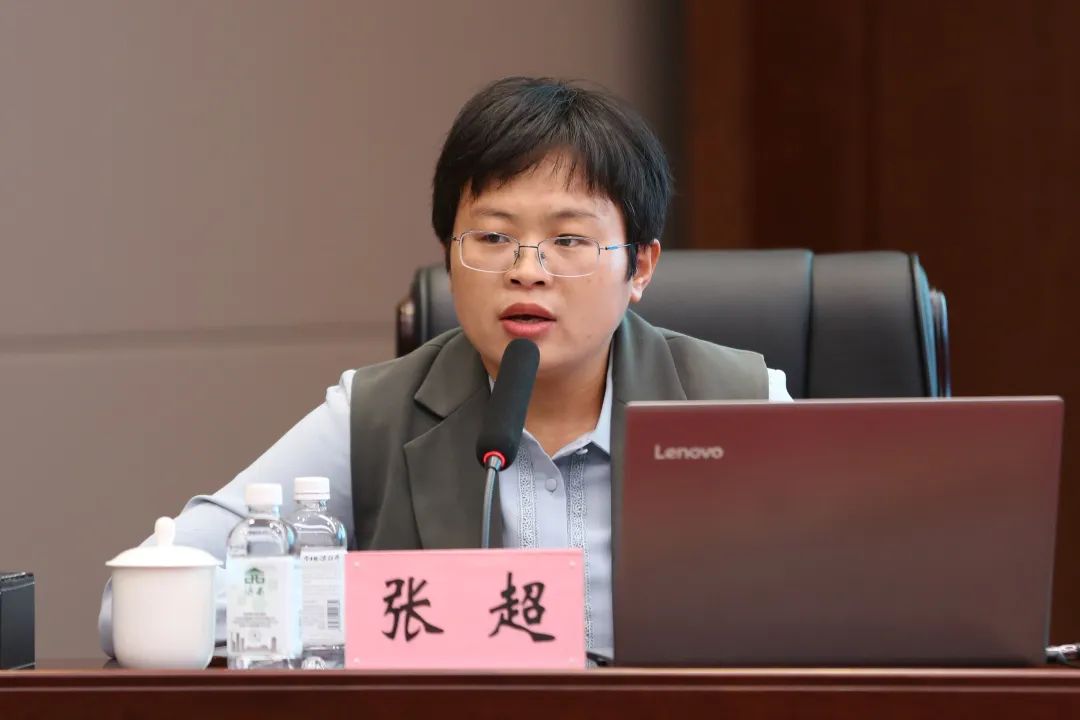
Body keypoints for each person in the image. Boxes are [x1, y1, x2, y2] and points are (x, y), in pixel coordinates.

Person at [99, 76, 791, 659]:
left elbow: (839, 601)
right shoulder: (374, 415)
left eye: (569, 239)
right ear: (448, 255)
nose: (527, 270)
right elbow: (136, 604)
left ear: (639, 266)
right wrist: (374, 612)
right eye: (492, 236)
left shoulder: (742, 402)